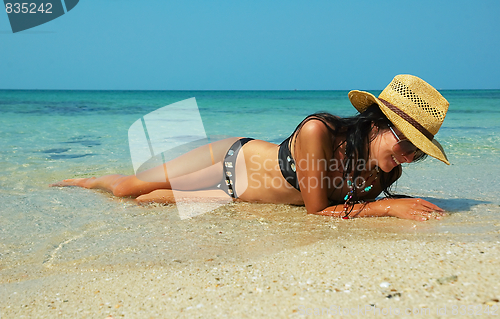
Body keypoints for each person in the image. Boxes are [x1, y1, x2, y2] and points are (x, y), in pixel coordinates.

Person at [51, 75, 449, 221]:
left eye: (417, 152)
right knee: (127, 190)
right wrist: (390, 207)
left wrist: (401, 202)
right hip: (228, 163)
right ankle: (88, 180)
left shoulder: (387, 171)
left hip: (239, 198)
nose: (408, 157)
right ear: (378, 122)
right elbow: (317, 211)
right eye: (405, 143)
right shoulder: (318, 132)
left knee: (147, 203)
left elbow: (343, 204)